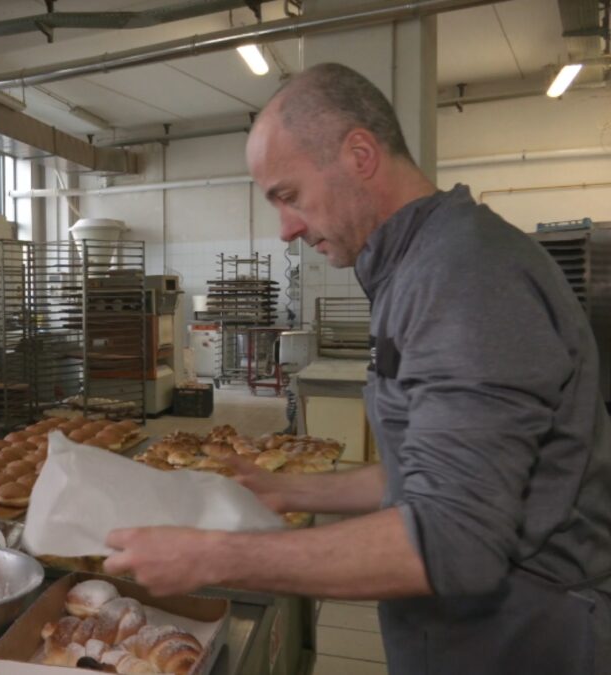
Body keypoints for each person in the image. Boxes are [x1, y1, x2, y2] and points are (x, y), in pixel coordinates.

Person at [104, 63, 611, 673]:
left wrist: (216, 557)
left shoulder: (464, 278)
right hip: (463, 631)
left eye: (289, 196)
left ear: (360, 154)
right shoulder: (414, 271)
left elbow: (452, 540)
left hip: (526, 638)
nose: (287, 229)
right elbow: (429, 468)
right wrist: (289, 488)